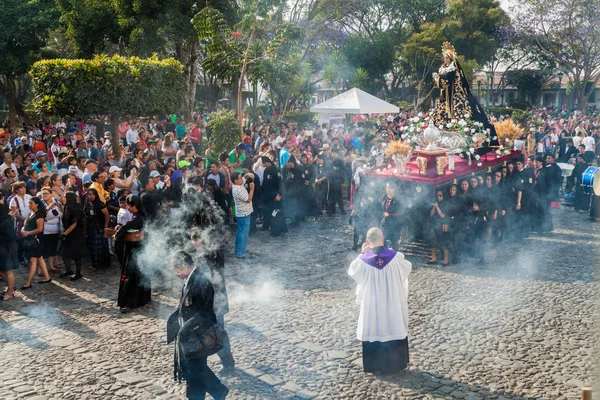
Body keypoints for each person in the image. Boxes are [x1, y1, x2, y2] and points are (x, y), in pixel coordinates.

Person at [348, 227, 412, 374]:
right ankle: (397, 363)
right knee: (393, 325)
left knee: (374, 327)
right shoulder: (396, 257)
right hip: (393, 303)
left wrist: (362, 253)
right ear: (382, 239)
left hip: (372, 305)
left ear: (367, 242)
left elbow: (353, 271)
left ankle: (375, 364)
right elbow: (407, 268)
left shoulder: (363, 261)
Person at [168, 251, 229, 400]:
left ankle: (219, 390)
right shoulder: (190, 278)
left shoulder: (200, 281)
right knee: (192, 369)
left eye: (176, 270)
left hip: (197, 334)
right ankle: (196, 397)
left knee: (196, 368)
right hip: (189, 334)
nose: (176, 273)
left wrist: (185, 328)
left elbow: (204, 313)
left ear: (182, 266)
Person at [431, 42, 495, 136]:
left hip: (453, 95)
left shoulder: (453, 68)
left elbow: (454, 81)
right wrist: (437, 78)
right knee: (440, 112)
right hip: (444, 95)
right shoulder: (442, 68)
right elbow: (441, 84)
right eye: (444, 57)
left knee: (457, 112)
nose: (445, 59)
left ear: (451, 58)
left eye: (447, 57)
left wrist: (443, 76)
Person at [115, 195, 151, 312]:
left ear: (134, 205)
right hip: (140, 249)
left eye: (128, 205)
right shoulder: (139, 215)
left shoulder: (139, 217)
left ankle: (130, 302)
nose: (127, 207)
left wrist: (117, 235)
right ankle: (142, 298)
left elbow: (127, 226)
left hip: (137, 250)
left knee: (132, 275)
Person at [21, 197, 52, 289]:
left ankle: (28, 282)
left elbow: (39, 229)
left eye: (31, 203)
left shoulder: (39, 215)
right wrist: (23, 230)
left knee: (33, 261)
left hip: (36, 240)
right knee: (40, 258)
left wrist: (27, 233)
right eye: (29, 203)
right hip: (31, 240)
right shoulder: (31, 213)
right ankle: (47, 277)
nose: (29, 205)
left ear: (37, 204)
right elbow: (25, 224)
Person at [59, 191, 85, 280]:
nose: (63, 198)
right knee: (63, 252)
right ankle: (68, 270)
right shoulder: (67, 207)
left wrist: (64, 234)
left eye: (65, 197)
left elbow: (74, 224)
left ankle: (78, 273)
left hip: (75, 234)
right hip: (67, 232)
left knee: (76, 254)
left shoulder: (76, 208)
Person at [83, 188, 110, 271]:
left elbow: (107, 215)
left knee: (99, 247)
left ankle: (99, 264)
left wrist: (105, 226)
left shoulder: (100, 204)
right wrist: (85, 229)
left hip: (99, 228)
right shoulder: (87, 206)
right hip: (91, 228)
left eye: (92, 194)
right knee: (92, 247)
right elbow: (85, 218)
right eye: (89, 194)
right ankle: (95, 263)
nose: (91, 196)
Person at [231, 172, 254, 258]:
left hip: (244, 212)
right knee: (243, 233)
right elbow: (248, 199)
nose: (242, 179)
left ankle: (240, 249)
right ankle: (241, 252)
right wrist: (252, 189)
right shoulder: (237, 190)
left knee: (240, 232)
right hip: (243, 213)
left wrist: (248, 174)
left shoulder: (239, 184)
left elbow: (245, 178)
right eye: (239, 178)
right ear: (235, 181)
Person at [0, 193, 17, 300]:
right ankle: (11, 287)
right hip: (3, 246)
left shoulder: (6, 221)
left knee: (7, 269)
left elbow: (9, 236)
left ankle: (10, 292)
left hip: (6, 247)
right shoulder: (7, 218)